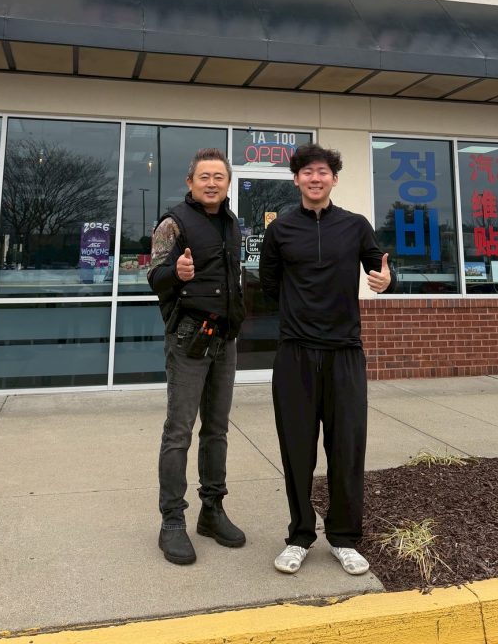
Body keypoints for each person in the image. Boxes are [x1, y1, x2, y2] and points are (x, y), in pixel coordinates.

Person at [259, 143, 396, 576]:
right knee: (297, 451)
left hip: (344, 354)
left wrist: (387, 279)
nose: (315, 178)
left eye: (323, 172)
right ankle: (299, 535)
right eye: (306, 172)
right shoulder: (280, 230)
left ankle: (343, 537)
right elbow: (268, 284)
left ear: (334, 179)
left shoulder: (355, 226)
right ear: (296, 179)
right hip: (295, 354)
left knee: (347, 449)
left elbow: (381, 269)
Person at [147, 147, 246, 565]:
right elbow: (154, 277)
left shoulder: (232, 223)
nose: (211, 183)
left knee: (217, 430)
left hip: (224, 338)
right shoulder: (173, 223)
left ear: (227, 183)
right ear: (190, 182)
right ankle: (172, 520)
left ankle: (212, 510)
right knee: (179, 432)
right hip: (188, 339)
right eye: (204, 176)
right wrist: (177, 273)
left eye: (218, 177)